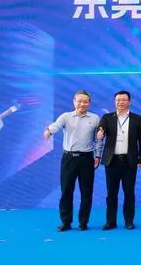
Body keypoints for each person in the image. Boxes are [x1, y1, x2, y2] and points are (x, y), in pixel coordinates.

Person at [43, 90, 102, 231]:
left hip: (87, 159)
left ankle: (83, 222)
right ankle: (66, 222)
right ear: (74, 102)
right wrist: (49, 131)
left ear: (89, 103)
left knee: (86, 192)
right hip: (68, 159)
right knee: (66, 191)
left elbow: (98, 140)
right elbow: (56, 126)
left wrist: (98, 155)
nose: (82, 104)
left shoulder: (95, 118)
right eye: (79, 101)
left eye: (85, 101)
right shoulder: (66, 117)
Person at [96, 91, 141, 230]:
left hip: (129, 161)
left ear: (129, 102)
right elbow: (101, 130)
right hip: (112, 161)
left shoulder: (137, 119)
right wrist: (100, 134)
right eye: (118, 100)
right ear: (114, 102)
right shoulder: (107, 117)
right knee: (111, 194)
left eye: (124, 100)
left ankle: (129, 221)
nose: (121, 102)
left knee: (129, 192)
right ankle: (110, 222)